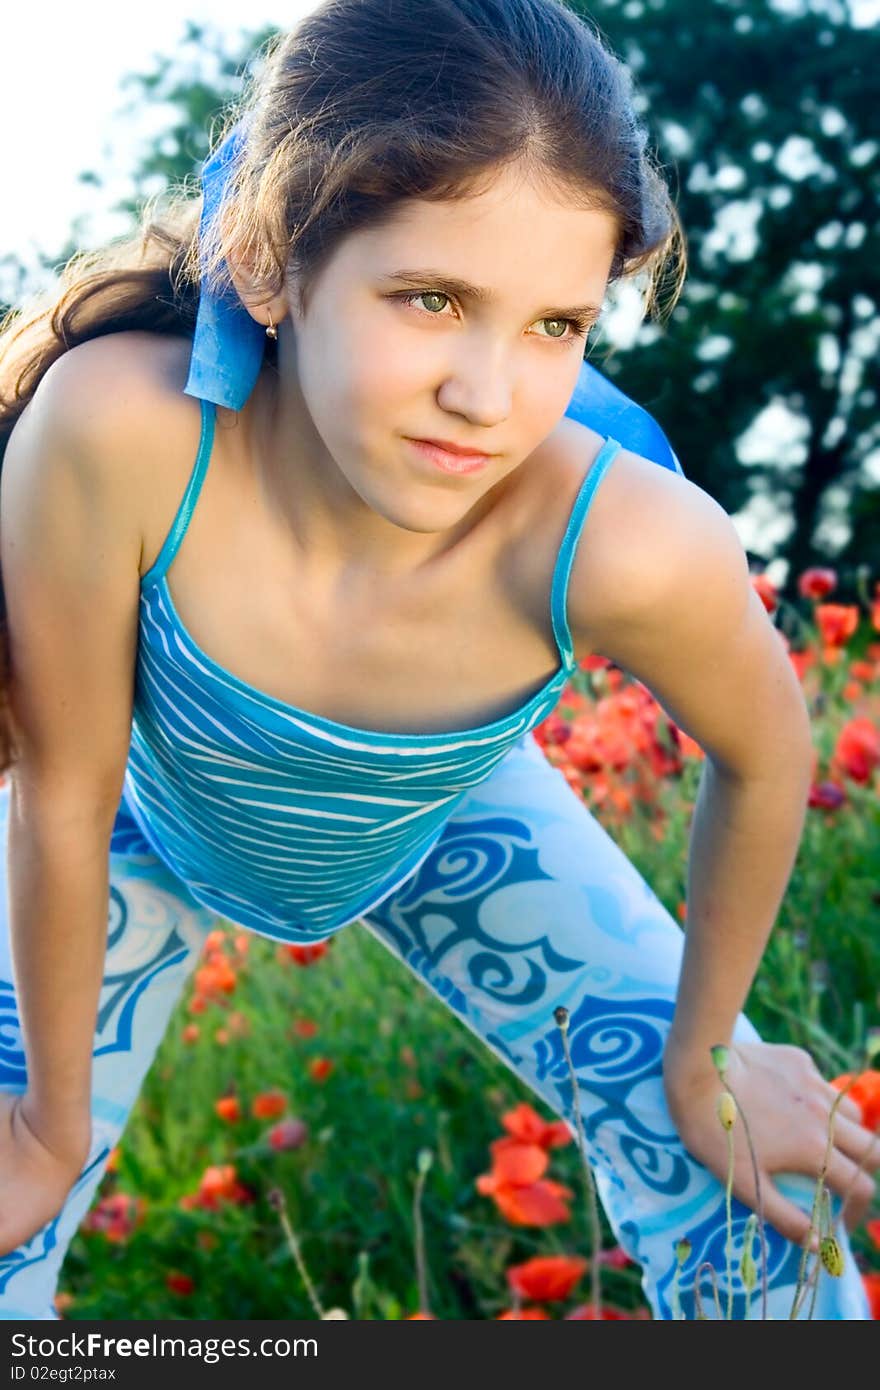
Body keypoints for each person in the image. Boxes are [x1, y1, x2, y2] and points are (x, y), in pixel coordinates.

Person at [0, 0, 874, 1321]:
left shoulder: (622, 539)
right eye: (432, 298)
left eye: (555, 327)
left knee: (763, 1196)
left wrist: (704, 1058)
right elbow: (63, 793)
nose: (490, 397)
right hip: (135, 807)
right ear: (268, 264)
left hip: (445, 812)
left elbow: (768, 751)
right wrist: (52, 1131)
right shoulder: (121, 431)